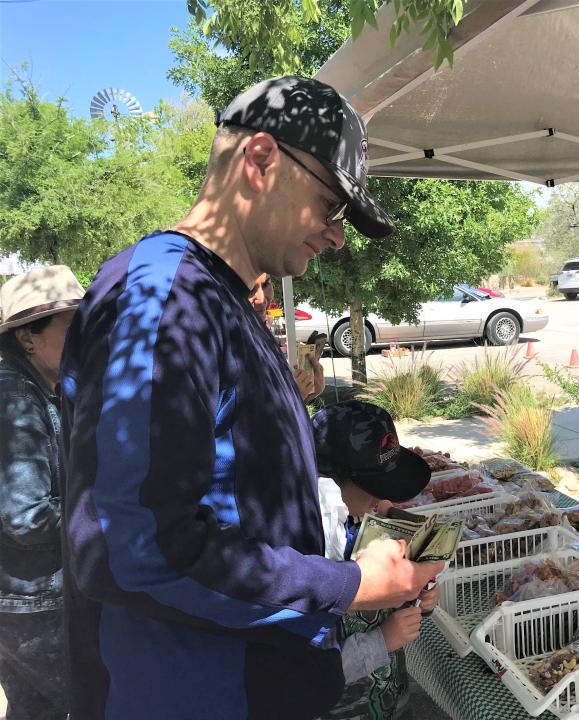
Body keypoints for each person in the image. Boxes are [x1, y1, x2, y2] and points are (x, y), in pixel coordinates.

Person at [58, 76, 442, 720]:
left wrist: (360, 565)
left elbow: (239, 501)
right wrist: (349, 586)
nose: (337, 234)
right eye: (331, 206)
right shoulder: (164, 297)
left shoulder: (221, 298)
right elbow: (132, 547)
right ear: (261, 161)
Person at [311, 400, 439, 720]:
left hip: (391, 696)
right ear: (328, 482)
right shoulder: (312, 557)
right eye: (373, 488)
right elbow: (307, 667)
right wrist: (383, 640)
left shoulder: (359, 524)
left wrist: (417, 600)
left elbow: (387, 610)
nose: (383, 501)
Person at [0, 265, 85, 719]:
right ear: (26, 338)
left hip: (37, 595)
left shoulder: (47, 390)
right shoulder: (15, 396)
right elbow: (25, 515)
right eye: (70, 326)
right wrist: (102, 517)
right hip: (32, 602)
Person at [248, 272, 325, 403]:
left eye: (266, 284)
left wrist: (311, 390)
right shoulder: (227, 342)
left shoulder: (263, 331)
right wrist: (293, 395)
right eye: (249, 289)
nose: (261, 299)